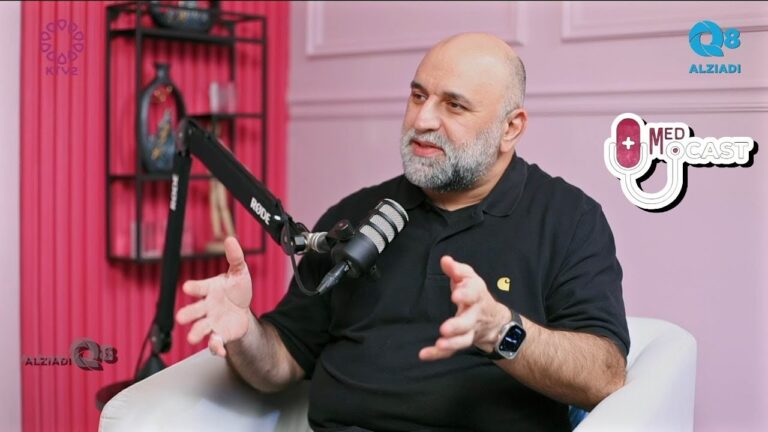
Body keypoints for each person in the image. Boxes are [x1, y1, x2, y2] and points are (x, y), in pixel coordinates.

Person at [176, 32, 629, 432]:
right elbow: (280, 364)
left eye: (453, 105)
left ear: (510, 128)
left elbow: (604, 377)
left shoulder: (568, 219)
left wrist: (501, 331)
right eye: (418, 96)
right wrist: (245, 332)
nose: (422, 120)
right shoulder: (354, 216)